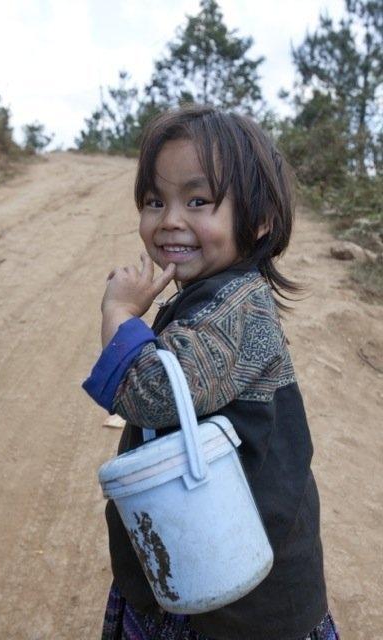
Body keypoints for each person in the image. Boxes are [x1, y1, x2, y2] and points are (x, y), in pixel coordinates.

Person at [82, 105, 340, 640]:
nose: (170, 219)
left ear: (260, 220)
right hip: (202, 558)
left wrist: (118, 316)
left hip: (241, 600)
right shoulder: (212, 296)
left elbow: (152, 392)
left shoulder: (239, 307)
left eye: (197, 201)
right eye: (156, 200)